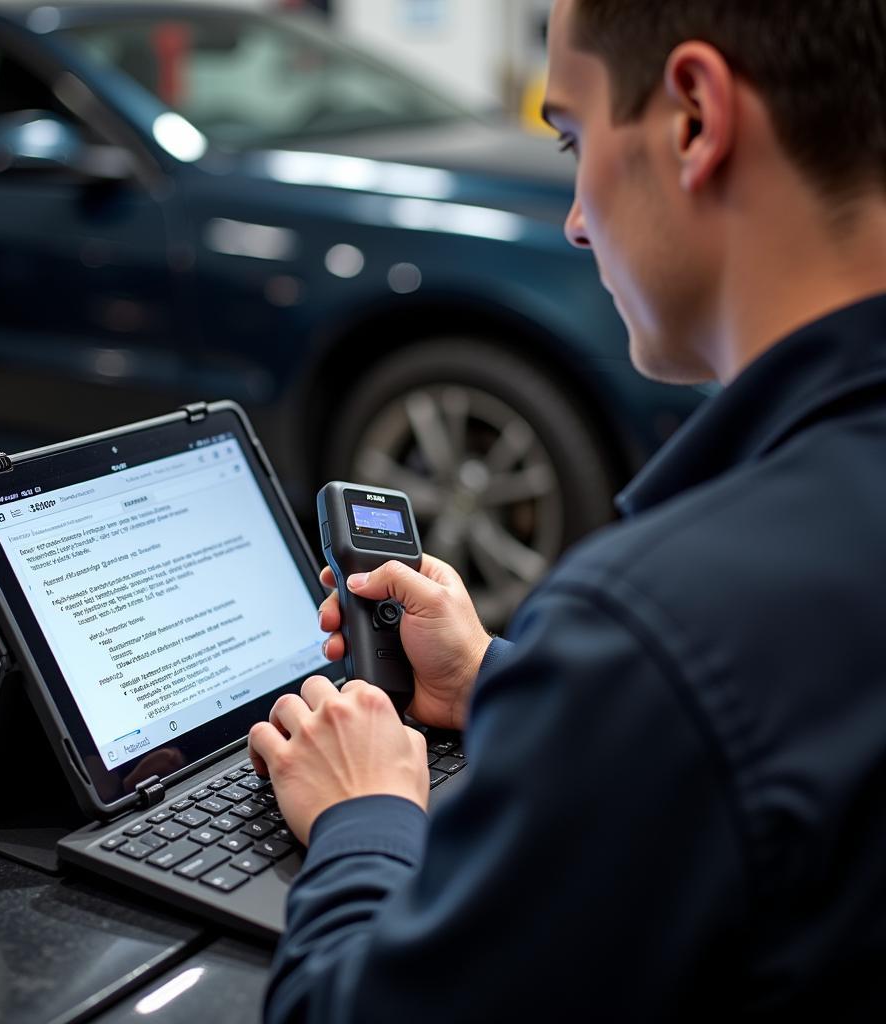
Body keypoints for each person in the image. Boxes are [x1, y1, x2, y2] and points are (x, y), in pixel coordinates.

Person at [247, 0, 886, 1019]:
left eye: (574, 136)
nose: (576, 217)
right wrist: (502, 682)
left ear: (692, 118)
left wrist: (363, 814)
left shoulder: (660, 623)